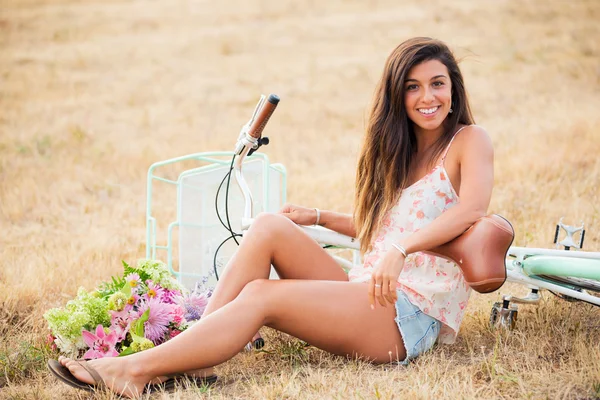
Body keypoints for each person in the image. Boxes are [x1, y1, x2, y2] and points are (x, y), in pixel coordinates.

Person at [49, 37, 494, 397]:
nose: (427, 96)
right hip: (368, 289)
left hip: (408, 316)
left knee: (263, 295)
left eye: (437, 83)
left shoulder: (469, 140)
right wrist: (317, 215)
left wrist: (401, 249)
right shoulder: (405, 151)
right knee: (268, 226)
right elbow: (389, 225)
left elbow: (471, 209)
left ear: (453, 87)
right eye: (413, 87)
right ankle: (193, 354)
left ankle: (133, 371)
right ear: (398, 97)